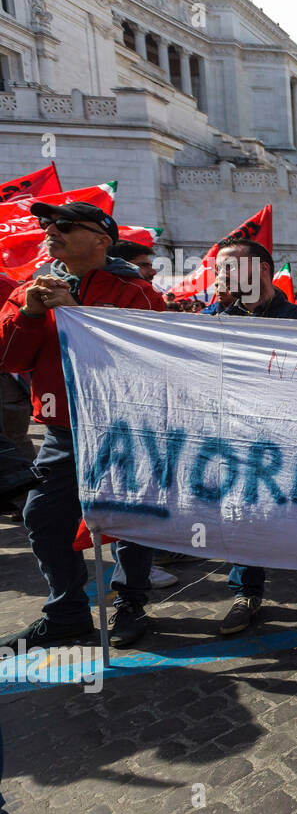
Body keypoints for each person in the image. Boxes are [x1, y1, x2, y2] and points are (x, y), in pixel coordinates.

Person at [0, 201, 162, 651]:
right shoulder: (31, 287)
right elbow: (9, 358)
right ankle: (67, 611)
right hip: (62, 433)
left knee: (129, 522)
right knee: (42, 515)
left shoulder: (138, 293)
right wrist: (30, 314)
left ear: (101, 239)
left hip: (122, 430)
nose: (51, 231)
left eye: (65, 225)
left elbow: (143, 362)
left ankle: (130, 604)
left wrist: (78, 313)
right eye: (48, 225)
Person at [212, 239, 297, 636]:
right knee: (243, 518)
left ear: (263, 270)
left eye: (232, 267)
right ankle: (245, 594)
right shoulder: (214, 322)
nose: (223, 276)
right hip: (240, 440)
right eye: (221, 269)